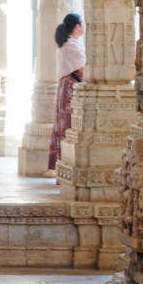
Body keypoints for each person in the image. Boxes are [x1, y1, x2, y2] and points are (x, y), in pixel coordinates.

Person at [49, 13, 85, 173]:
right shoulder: (71, 46)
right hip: (71, 88)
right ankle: (63, 168)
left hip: (68, 87)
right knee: (68, 126)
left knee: (66, 126)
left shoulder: (70, 45)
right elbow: (81, 70)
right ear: (77, 27)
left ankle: (61, 168)